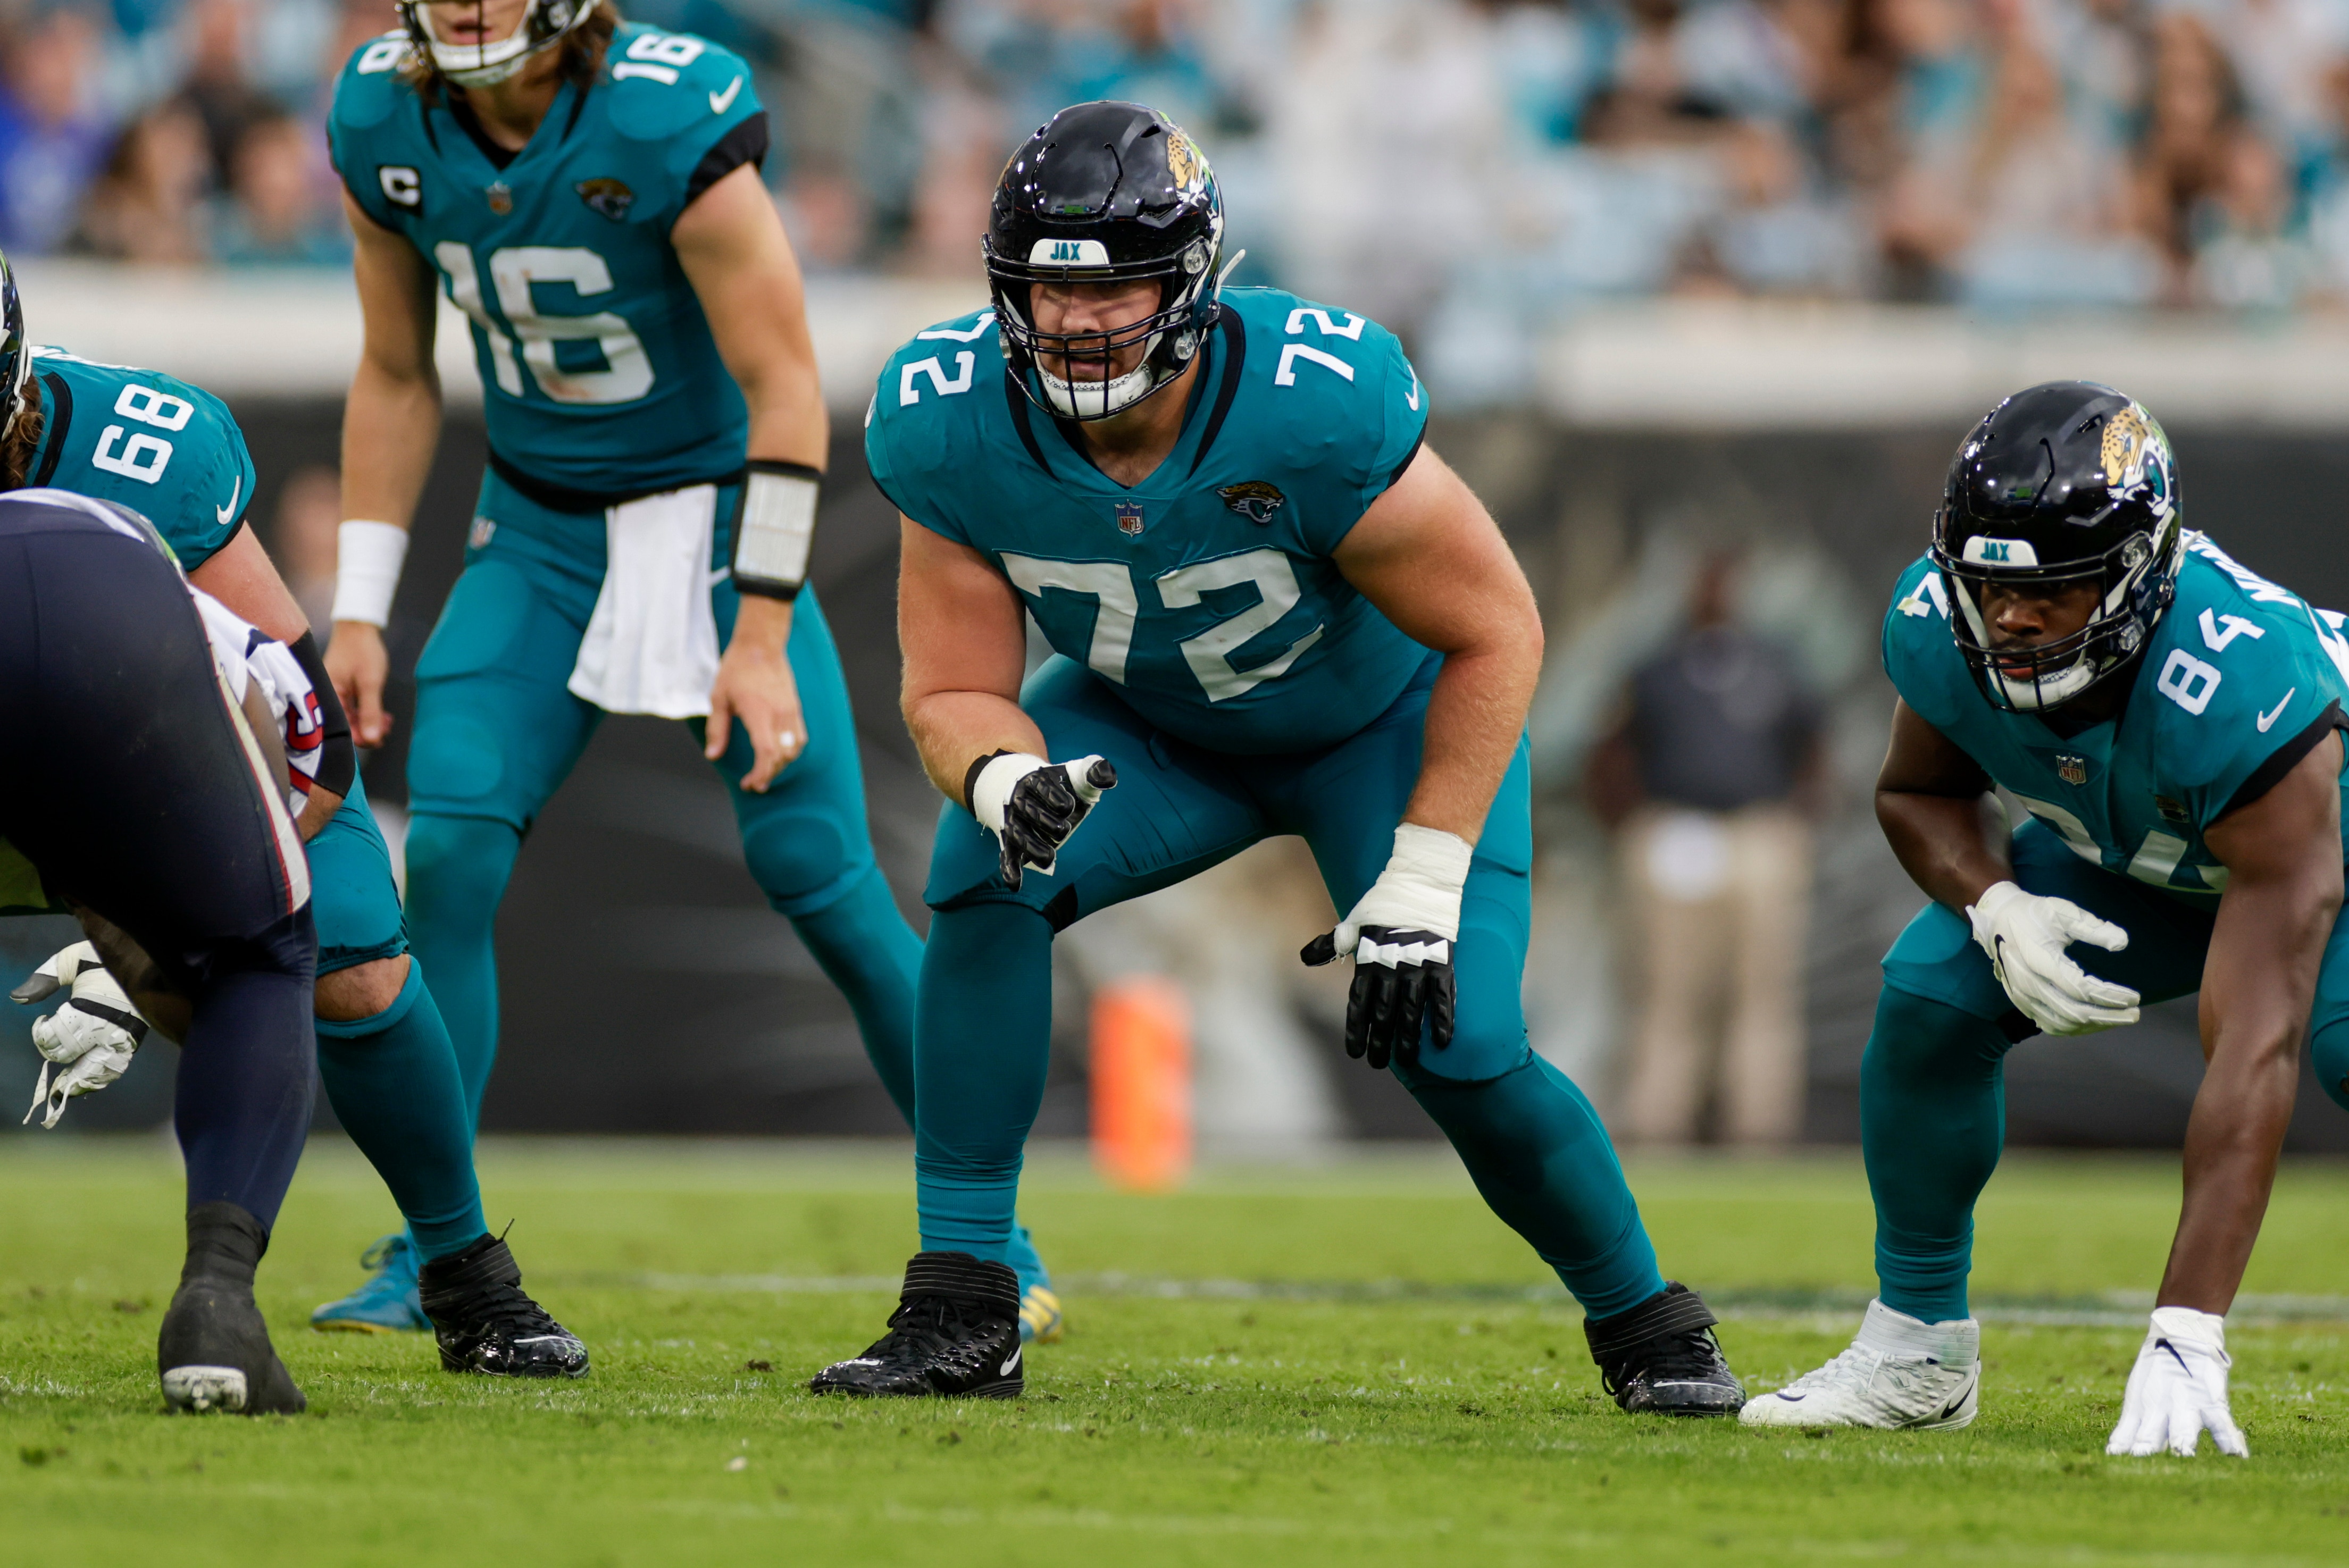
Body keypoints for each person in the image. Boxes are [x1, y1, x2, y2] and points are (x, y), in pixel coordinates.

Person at [811, 100, 1746, 1411]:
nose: (1078, 323)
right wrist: (1004, 776)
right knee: (982, 873)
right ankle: (966, 1301)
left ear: (1193, 280)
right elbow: (956, 686)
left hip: (1379, 727)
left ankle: (1647, 1318)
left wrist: (1425, 873)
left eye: (1116, 284)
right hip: (1156, 727)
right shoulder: (947, 415)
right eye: (1046, 290)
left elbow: (1496, 628)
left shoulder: (1311, 397)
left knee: (1460, 1042)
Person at [322, 0, 1061, 1339]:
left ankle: (992, 1234)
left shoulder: (670, 112)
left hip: (720, 526)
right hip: (539, 530)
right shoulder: (380, 114)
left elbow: (785, 382)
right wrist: (361, 607)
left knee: (824, 882)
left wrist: (764, 629)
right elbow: (393, 366)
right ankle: (434, 1242)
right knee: (448, 856)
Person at [0, 250, 586, 1376]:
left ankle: (462, 1270)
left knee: (348, 958)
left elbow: (293, 716)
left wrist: (187, 912)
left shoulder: (142, 447)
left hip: (128, 749)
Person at [1742, 382, 2348, 1457]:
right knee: (1932, 991)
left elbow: (2258, 1041)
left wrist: (2186, 1324)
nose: (2011, 618)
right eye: (1988, 586)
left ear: (2136, 576)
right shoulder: (1939, 624)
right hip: (2156, 861)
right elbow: (1915, 791)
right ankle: (1916, 1349)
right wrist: (1994, 902)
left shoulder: (2240, 678)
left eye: (2053, 592)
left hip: (2310, 860)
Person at [0, 481, 318, 1414]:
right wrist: (190, 915)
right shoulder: (97, 516)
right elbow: (307, 736)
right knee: (263, 954)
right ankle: (215, 1304)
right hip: (96, 602)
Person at [1587, 551, 1826, 1146]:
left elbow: (1814, 750)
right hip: (1673, 832)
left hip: (1756, 834)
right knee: (1665, 988)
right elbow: (1608, 756)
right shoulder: (1656, 671)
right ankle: (1654, 1121)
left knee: (1762, 990)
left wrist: (1794, 821)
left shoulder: (1776, 667)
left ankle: (1759, 1126)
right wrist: (1630, 823)